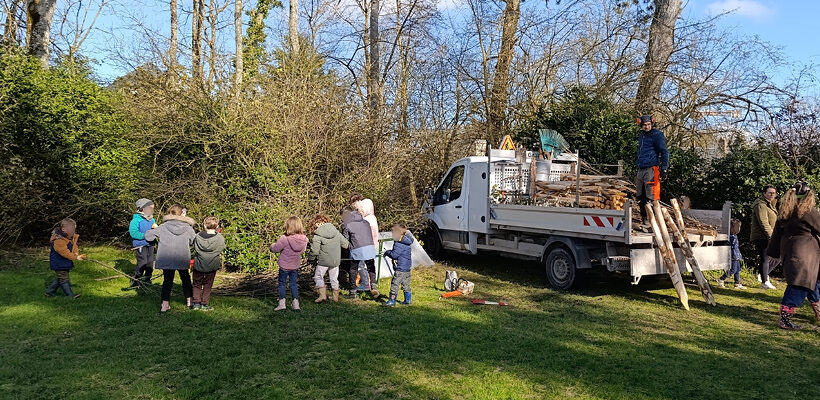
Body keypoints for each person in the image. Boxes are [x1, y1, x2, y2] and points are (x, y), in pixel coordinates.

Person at [767, 181, 820, 330]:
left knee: (813, 282)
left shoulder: (785, 212)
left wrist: (773, 253)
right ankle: (785, 319)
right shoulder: (809, 212)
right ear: (808, 196)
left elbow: (776, 235)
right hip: (805, 255)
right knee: (798, 285)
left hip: (790, 252)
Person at [145, 205, 196, 313]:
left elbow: (148, 236)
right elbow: (193, 241)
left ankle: (165, 305)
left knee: (167, 281)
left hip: (166, 257)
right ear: (182, 214)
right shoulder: (188, 228)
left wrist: (153, 230)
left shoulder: (163, 227)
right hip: (182, 257)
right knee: (185, 279)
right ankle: (190, 301)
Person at [634, 115, 669, 222]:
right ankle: (644, 218)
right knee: (640, 196)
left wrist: (664, 169)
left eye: (649, 124)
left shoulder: (657, 135)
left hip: (651, 168)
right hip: (641, 168)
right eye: (644, 125)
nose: (647, 127)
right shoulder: (641, 136)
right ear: (640, 125)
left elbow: (664, 152)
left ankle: (653, 221)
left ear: (652, 124)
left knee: (651, 197)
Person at [270, 216, 309, 311]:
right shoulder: (304, 239)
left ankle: (282, 303)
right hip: (295, 265)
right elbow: (302, 251)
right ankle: (296, 304)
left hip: (284, 265)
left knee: (282, 284)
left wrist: (272, 246)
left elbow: (276, 248)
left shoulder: (284, 238)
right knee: (293, 284)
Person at [308, 214, 349, 303]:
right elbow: (345, 244)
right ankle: (335, 297)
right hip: (335, 260)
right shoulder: (336, 232)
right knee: (334, 278)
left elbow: (314, 251)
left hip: (323, 261)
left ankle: (322, 296)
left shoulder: (317, 235)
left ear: (317, 224)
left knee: (318, 277)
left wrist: (310, 259)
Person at [341, 206, 380, 299]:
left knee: (353, 269)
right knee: (371, 266)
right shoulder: (365, 222)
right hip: (370, 247)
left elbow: (345, 239)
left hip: (357, 248)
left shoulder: (347, 224)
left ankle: (352, 292)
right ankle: (373, 284)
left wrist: (348, 247)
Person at [45, 218, 87, 298]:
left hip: (64, 263)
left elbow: (74, 246)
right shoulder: (58, 240)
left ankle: (50, 291)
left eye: (74, 230)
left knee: (60, 278)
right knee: (64, 279)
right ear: (64, 229)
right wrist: (75, 257)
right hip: (58, 263)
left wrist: (76, 253)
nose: (73, 232)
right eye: (71, 230)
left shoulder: (70, 238)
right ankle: (70, 295)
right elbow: (64, 253)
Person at [192, 216, 226, 311]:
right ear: (217, 226)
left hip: (199, 264)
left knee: (196, 284)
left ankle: (196, 303)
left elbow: (195, 247)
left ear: (204, 225)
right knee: (208, 285)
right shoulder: (220, 238)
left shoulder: (198, 236)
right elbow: (221, 248)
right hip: (212, 265)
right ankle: (204, 304)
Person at [351, 193, 381, 291]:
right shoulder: (373, 218)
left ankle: (366, 284)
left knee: (361, 265)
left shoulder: (365, 221)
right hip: (372, 245)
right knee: (370, 265)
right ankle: (373, 284)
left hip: (364, 245)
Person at [750, 185, 778, 289]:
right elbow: (763, 222)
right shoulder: (761, 205)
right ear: (764, 193)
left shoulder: (770, 205)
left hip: (769, 235)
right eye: (770, 193)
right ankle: (764, 282)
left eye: (774, 193)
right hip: (762, 236)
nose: (772, 195)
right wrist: (772, 236)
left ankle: (763, 274)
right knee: (765, 258)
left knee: (778, 256)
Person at [128, 198, 158, 288]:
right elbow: (133, 232)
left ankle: (147, 279)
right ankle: (136, 280)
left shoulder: (152, 220)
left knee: (150, 263)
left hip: (150, 244)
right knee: (142, 262)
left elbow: (154, 230)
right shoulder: (136, 220)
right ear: (142, 208)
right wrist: (145, 236)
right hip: (141, 244)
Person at [383, 224, 414, 307]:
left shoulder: (399, 244)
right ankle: (408, 300)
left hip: (400, 268)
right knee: (406, 284)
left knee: (395, 284)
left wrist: (387, 252)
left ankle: (391, 301)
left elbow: (394, 255)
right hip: (407, 268)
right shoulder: (406, 242)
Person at [717, 219, 746, 290]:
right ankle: (721, 279)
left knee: (738, 270)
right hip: (732, 256)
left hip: (736, 256)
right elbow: (730, 246)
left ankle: (737, 282)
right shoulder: (730, 237)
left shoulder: (734, 236)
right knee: (733, 269)